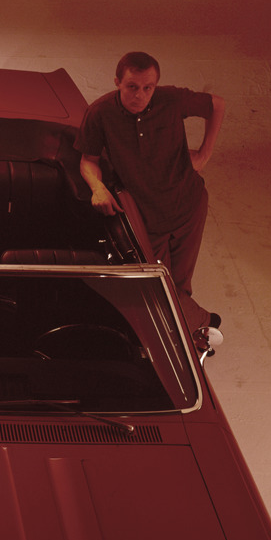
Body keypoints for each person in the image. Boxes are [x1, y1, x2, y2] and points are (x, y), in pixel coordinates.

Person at [77, 51, 225, 346]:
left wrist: (206, 152)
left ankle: (182, 338)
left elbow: (216, 104)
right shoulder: (100, 113)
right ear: (117, 82)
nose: (140, 95)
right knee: (156, 284)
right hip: (146, 215)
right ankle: (204, 323)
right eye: (132, 87)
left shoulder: (171, 100)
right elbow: (87, 160)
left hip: (188, 206)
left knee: (180, 283)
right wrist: (97, 187)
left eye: (148, 87)